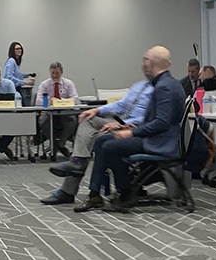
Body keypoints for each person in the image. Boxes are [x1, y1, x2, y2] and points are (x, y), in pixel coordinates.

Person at [83, 46, 185, 213]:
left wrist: (132, 132)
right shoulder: (169, 83)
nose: (143, 65)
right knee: (102, 140)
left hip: (160, 142)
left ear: (151, 64)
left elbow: (162, 123)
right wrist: (134, 126)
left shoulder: (163, 87)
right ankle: (96, 193)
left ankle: (125, 192)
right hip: (160, 137)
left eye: (145, 61)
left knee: (108, 146)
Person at [42, 64, 160, 207]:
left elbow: (155, 119)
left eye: (150, 64)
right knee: (88, 120)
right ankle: (77, 162)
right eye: (145, 63)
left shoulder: (160, 90)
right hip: (118, 120)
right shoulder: (139, 86)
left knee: (95, 139)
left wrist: (124, 125)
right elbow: (121, 105)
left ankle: (71, 191)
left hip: (134, 128)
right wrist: (97, 110)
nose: (146, 67)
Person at [35, 62, 79, 155]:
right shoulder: (44, 84)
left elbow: (76, 99)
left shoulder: (68, 84)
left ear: (61, 73)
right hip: (48, 111)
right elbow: (38, 101)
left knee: (73, 121)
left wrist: (60, 101)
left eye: (57, 73)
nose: (54, 76)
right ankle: (55, 142)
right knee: (42, 121)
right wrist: (48, 101)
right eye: (52, 73)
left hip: (65, 111)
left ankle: (60, 143)